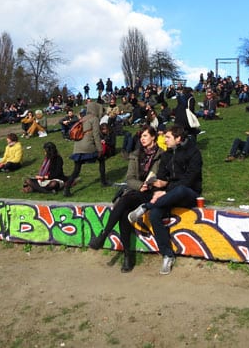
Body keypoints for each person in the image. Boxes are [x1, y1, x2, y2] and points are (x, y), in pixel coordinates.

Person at [127, 125, 202, 275]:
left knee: (180, 190)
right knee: (155, 214)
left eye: (167, 137)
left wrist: (166, 188)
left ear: (178, 138)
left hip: (190, 193)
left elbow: (189, 180)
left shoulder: (193, 152)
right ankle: (167, 255)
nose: (164, 140)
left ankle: (145, 207)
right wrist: (158, 187)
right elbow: (162, 177)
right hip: (169, 195)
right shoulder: (167, 155)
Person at [88, 126, 163, 272]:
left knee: (124, 202)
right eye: (141, 136)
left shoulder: (162, 155)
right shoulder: (135, 155)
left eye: (146, 136)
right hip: (136, 190)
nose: (142, 138)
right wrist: (140, 185)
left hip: (152, 192)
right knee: (124, 212)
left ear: (153, 137)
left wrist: (148, 185)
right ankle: (127, 256)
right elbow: (129, 178)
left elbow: (162, 175)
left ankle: (104, 236)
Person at [63, 101, 103, 197]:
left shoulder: (82, 119)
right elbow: (96, 135)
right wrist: (100, 149)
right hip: (88, 147)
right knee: (102, 159)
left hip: (77, 148)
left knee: (76, 170)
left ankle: (67, 188)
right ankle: (103, 181)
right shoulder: (94, 119)